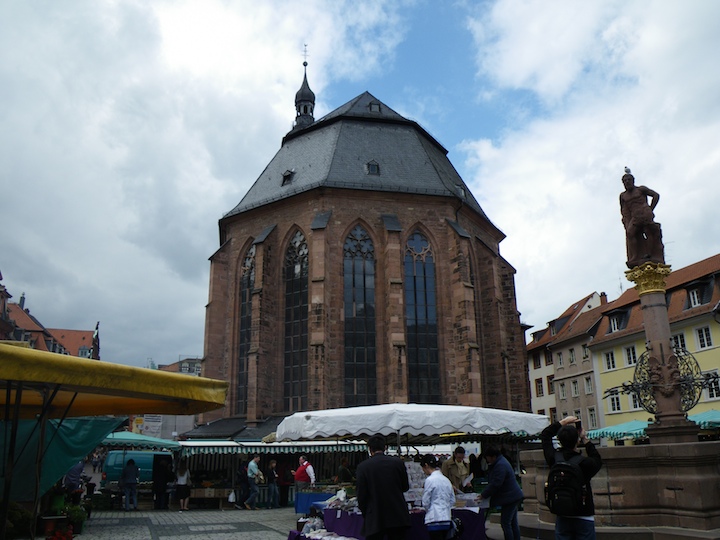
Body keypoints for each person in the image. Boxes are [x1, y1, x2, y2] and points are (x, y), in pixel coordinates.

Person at [541, 415, 603, 540]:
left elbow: (545, 435)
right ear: (577, 441)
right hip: (583, 514)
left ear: (559, 440)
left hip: (562, 513)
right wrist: (586, 439)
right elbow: (597, 460)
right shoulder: (584, 463)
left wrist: (563, 422)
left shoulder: (554, 459)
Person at [355, 434, 411, 540]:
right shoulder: (398, 463)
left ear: (370, 449)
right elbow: (405, 487)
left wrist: (366, 512)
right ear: (385, 447)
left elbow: (361, 495)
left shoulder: (363, 467)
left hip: (375, 516)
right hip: (397, 514)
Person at [619, 170, 664, 268]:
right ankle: (634, 256)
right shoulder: (623, 196)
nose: (627, 182)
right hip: (635, 216)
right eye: (625, 181)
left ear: (633, 180)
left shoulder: (640, 189)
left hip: (644, 212)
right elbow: (623, 209)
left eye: (629, 180)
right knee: (630, 233)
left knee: (648, 232)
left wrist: (651, 209)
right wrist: (625, 219)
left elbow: (656, 195)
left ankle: (649, 253)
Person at [479, 446, 524, 540]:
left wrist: (483, 494)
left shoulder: (500, 465)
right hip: (513, 495)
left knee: (505, 523)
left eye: (487, 457)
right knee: (512, 522)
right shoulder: (501, 462)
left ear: (493, 456)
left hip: (510, 497)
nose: (487, 460)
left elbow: (496, 483)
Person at [420, 454, 456, 540]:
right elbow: (452, 500)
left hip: (434, 518)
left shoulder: (429, 480)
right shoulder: (446, 480)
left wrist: (429, 510)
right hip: (446, 518)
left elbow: (425, 501)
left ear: (426, 465)